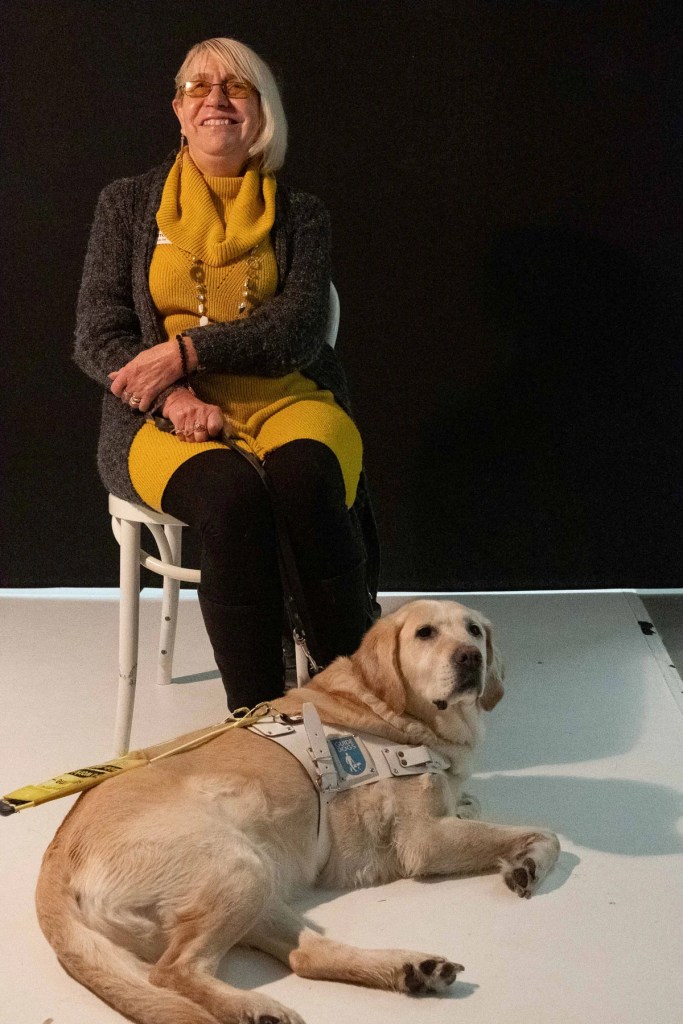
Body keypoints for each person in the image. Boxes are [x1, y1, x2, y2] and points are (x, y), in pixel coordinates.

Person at [74, 37, 379, 711]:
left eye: (235, 87)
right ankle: (261, 720)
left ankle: (354, 706)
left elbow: (297, 331)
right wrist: (175, 392)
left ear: (260, 108)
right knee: (232, 500)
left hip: (290, 398)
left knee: (306, 482)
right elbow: (98, 335)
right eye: (198, 88)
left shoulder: (302, 214)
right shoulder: (126, 205)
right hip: (157, 415)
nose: (216, 99)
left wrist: (187, 352)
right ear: (178, 111)